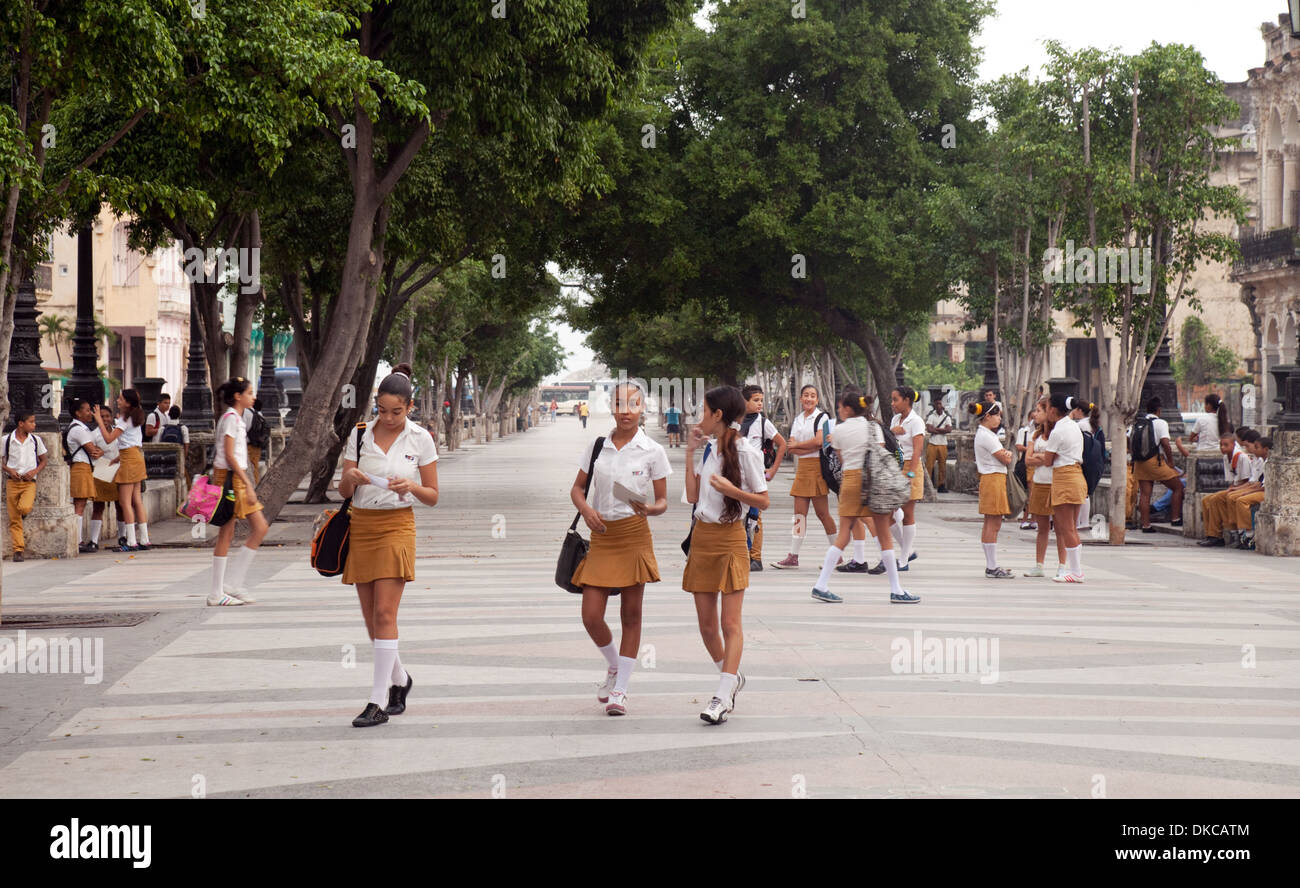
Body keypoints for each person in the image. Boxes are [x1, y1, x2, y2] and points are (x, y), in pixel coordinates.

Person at [338, 363, 439, 727]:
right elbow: (343, 490)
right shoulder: (361, 432)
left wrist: (409, 486)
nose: (390, 417)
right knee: (371, 619)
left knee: (385, 614)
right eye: (383, 410)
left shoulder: (420, 438)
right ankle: (400, 679)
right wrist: (350, 476)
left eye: (397, 411)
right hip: (362, 525)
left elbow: (433, 496)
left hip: (397, 526)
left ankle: (377, 701)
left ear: (410, 407)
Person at [570, 381, 670, 716]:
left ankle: (621, 690)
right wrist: (586, 511)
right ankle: (613, 665)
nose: (625, 411)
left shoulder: (653, 451)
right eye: (618, 403)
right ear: (610, 406)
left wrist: (650, 509)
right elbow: (578, 489)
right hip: (601, 537)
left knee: (631, 615)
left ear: (643, 407)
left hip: (633, 535)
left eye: (632, 404)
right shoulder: (597, 446)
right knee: (591, 615)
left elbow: (663, 502)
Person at [684, 386, 770, 725]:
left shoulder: (745, 452)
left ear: (718, 416)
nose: (700, 419)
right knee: (707, 627)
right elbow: (692, 496)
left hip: (732, 539)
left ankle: (722, 696)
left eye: (705, 412)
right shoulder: (706, 451)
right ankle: (731, 676)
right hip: (702, 538)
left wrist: (731, 490)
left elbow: (762, 501)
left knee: (729, 623)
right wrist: (691, 453)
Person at [811, 391, 918, 603]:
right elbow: (880, 453)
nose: (839, 410)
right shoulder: (873, 427)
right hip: (872, 482)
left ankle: (821, 584)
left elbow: (841, 459)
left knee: (844, 535)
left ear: (848, 409)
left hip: (849, 481)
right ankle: (896, 589)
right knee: (884, 534)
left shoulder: (838, 430)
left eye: (841, 407)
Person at [205, 377, 270, 608]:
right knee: (227, 533)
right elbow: (230, 455)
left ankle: (232, 584)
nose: (253, 396)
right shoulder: (231, 419)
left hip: (235, 478)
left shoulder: (235, 419)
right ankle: (218, 591)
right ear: (237, 396)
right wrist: (248, 484)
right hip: (231, 480)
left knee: (257, 528)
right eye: (249, 393)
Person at [771, 385, 837, 569]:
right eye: (806, 395)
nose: (809, 398)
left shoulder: (822, 417)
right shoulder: (798, 419)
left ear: (817, 399)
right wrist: (801, 446)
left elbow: (818, 442)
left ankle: (837, 554)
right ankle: (793, 555)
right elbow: (791, 447)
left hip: (816, 467)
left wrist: (800, 445)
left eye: (813, 396)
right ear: (800, 398)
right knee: (799, 515)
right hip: (802, 468)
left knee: (823, 514)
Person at [92, 389, 150, 552]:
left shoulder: (125, 419)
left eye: (121, 399)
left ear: (128, 403)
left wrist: (99, 420)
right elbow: (131, 442)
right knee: (136, 500)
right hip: (136, 457)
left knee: (125, 502)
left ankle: (131, 541)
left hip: (129, 459)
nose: (118, 401)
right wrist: (116, 460)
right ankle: (144, 539)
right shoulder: (136, 416)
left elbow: (109, 439)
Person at [739, 385, 788, 572]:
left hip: (755, 475)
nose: (759, 404)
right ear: (744, 401)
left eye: (761, 400)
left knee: (755, 516)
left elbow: (782, 444)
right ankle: (740, 551)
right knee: (737, 513)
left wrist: (773, 470)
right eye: (755, 400)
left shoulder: (763, 423)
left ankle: (755, 557)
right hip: (736, 474)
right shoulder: (735, 422)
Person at [1040, 394, 1087, 583]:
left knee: (1066, 527)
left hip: (1064, 477)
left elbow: (1048, 460)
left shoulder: (1057, 432)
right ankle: (1075, 569)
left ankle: (1076, 572)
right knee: (1072, 528)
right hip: (1077, 474)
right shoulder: (1074, 427)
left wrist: (1043, 456)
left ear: (1052, 410)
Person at [968, 402, 1016, 578]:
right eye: (997, 416)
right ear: (987, 416)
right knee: (993, 523)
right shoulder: (987, 436)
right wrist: (1007, 454)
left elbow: (1003, 454)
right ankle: (992, 566)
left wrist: (1006, 454)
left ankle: (992, 564)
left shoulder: (986, 434)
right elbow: (1004, 458)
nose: (999, 419)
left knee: (992, 522)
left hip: (992, 478)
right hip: (993, 478)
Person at [1022, 398, 1066, 578]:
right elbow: (1027, 459)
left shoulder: (1059, 433)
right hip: (1039, 483)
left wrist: (1040, 458)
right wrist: (1043, 457)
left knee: (1061, 527)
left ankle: (1063, 564)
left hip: (1055, 482)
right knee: (1042, 527)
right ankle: (1039, 564)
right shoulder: (1035, 436)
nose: (1035, 414)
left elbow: (1055, 459)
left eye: (1039, 410)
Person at [1132, 396, 1184, 533]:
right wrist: (1171, 461)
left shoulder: (1139, 422)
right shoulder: (1161, 423)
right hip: (1155, 461)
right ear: (1159, 410)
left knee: (1144, 494)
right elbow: (1166, 443)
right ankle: (1175, 518)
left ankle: (1146, 525)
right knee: (1178, 486)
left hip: (1139, 462)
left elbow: (1128, 439)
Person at [889, 386, 925, 569]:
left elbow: (918, 449)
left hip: (911, 466)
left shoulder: (916, 421)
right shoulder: (896, 419)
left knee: (907, 513)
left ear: (907, 400)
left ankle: (903, 559)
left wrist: (911, 473)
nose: (893, 403)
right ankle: (908, 550)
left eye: (896, 400)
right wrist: (893, 431)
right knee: (889, 513)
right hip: (896, 466)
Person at [4, 411, 48, 562]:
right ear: (21, 423)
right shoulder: (7, 440)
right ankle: (18, 549)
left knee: (24, 508)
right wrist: (9, 470)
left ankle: (24, 512)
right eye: (31, 422)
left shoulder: (35, 440)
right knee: (14, 519)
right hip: (12, 481)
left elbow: (43, 460)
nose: (34, 425)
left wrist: (34, 471)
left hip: (29, 482)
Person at [1197, 431, 1254, 547]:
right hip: (1236, 487)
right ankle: (1210, 534)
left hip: (1243, 487)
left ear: (1233, 445)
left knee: (1216, 499)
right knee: (1206, 500)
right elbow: (1232, 480)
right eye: (1221, 445)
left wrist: (1233, 489)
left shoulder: (1241, 457)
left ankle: (1217, 534)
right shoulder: (1225, 457)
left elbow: (1246, 480)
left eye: (1226, 445)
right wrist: (1231, 488)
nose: (1222, 447)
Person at [64, 398, 105, 554]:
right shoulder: (78, 429)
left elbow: (96, 450)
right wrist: (99, 451)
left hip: (84, 466)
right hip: (80, 466)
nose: (90, 413)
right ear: (78, 412)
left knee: (80, 503)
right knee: (79, 504)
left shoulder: (82, 428)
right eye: (87, 410)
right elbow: (94, 451)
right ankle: (78, 540)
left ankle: (78, 538)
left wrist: (98, 450)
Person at [88, 404, 120, 551]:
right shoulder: (94, 434)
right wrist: (98, 454)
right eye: (102, 417)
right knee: (98, 506)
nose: (105, 419)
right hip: (100, 471)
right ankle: (94, 540)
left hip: (117, 470)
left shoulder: (118, 431)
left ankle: (123, 537)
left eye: (107, 416)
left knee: (120, 505)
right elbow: (93, 452)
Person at [923, 395, 953, 493]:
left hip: (943, 444)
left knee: (942, 466)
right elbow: (929, 429)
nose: (939, 405)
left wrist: (936, 429)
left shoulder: (947, 417)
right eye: (937, 404)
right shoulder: (931, 416)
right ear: (934, 405)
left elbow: (949, 430)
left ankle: (941, 485)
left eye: (940, 403)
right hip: (932, 443)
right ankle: (927, 485)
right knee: (929, 465)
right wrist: (942, 430)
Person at [1014, 418, 1035, 529]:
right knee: (1028, 495)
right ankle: (1025, 519)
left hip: (1038, 467)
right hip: (1027, 466)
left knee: (1035, 495)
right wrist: (1031, 449)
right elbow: (1018, 446)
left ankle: (1034, 519)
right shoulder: (1025, 432)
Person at [245, 397, 270, 486]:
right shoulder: (259, 413)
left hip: (248, 445)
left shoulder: (246, 413)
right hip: (256, 444)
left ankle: (254, 487)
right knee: (254, 467)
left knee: (250, 468)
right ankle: (255, 485)